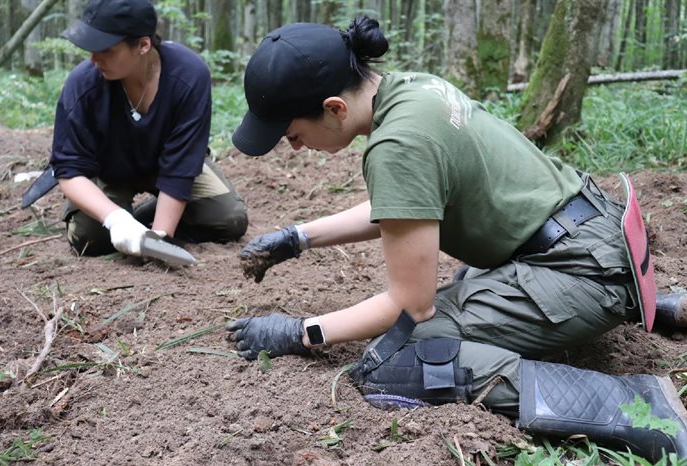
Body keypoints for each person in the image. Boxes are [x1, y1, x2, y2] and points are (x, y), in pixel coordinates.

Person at [226, 16, 687, 461]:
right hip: (596, 234)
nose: (296, 147)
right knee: (459, 291)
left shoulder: (397, 146)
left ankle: (634, 407)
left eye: (293, 134)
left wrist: (300, 332)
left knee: (399, 359)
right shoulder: (413, 91)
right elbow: (408, 203)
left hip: (582, 271)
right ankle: (653, 301)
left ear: (334, 108)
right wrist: (298, 237)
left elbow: (410, 305)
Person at [50, 0, 248, 258]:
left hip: (169, 166)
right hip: (107, 171)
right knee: (91, 240)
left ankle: (142, 221)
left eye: (105, 50)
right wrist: (116, 219)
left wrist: (158, 241)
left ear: (143, 45)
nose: (93, 59)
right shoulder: (83, 84)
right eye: (90, 48)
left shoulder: (189, 75)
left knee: (227, 218)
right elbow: (68, 169)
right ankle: (124, 215)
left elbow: (182, 164)